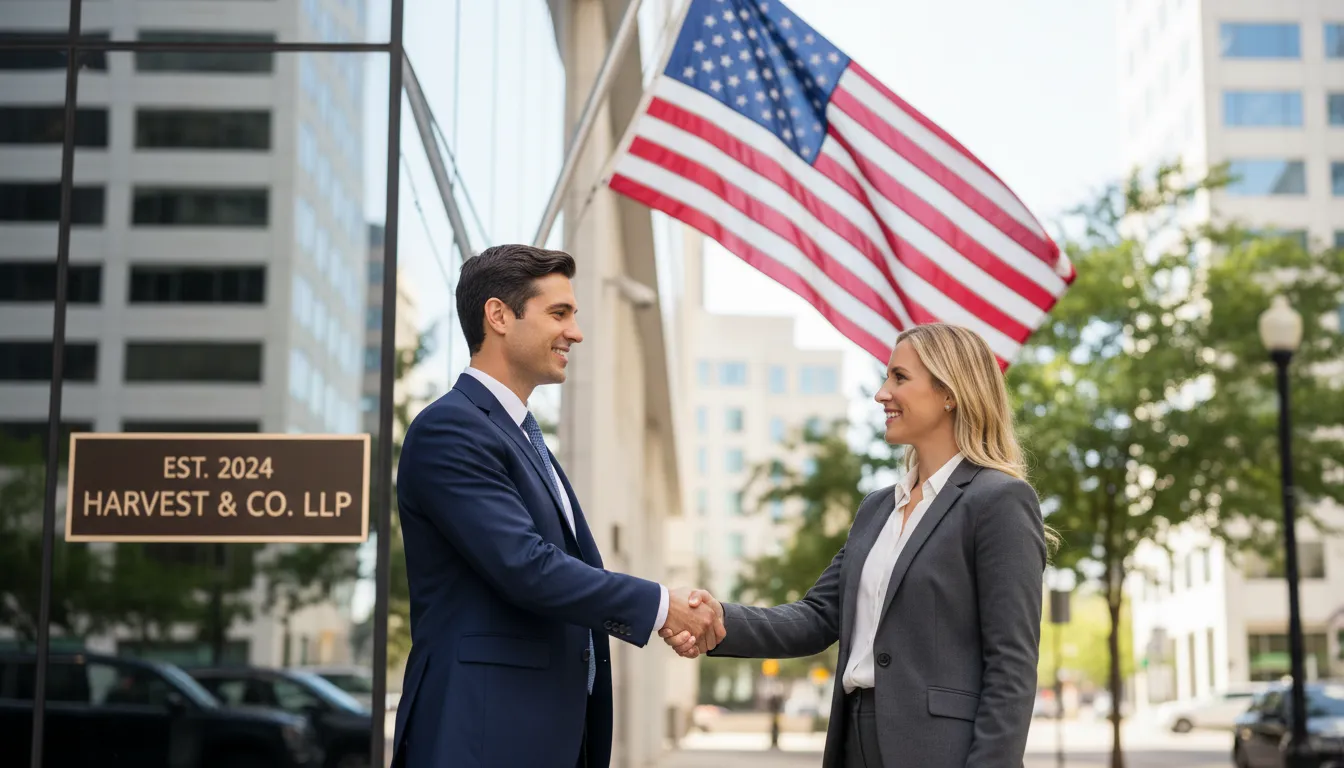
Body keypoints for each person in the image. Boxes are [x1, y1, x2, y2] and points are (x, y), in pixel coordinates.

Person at [391, 244, 723, 768]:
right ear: (498, 315)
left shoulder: (520, 435)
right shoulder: (450, 429)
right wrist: (660, 605)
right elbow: (526, 566)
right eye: (559, 313)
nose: (576, 332)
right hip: (481, 734)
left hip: (538, 733)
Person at [665, 323, 1050, 768]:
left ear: (950, 392)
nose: (882, 393)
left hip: (942, 751)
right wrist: (715, 618)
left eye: (899, 378)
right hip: (854, 743)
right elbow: (815, 618)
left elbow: (1012, 667)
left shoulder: (998, 501)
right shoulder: (877, 509)